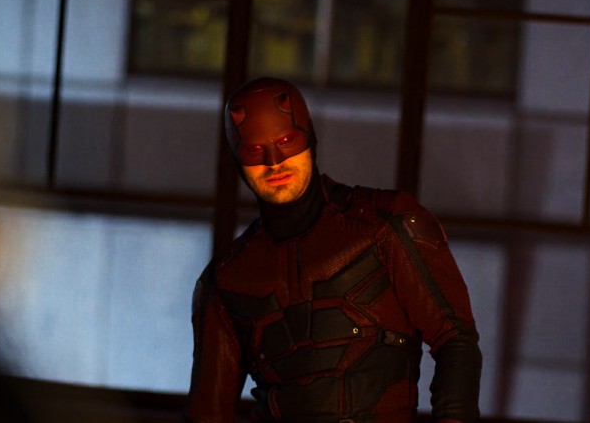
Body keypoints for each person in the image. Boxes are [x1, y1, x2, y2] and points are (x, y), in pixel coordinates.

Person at [184, 77, 482, 423]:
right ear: (238, 159)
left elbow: (455, 339)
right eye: (255, 150)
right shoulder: (225, 280)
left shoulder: (385, 224)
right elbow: (207, 413)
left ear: (309, 138)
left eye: (286, 141)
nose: (274, 162)